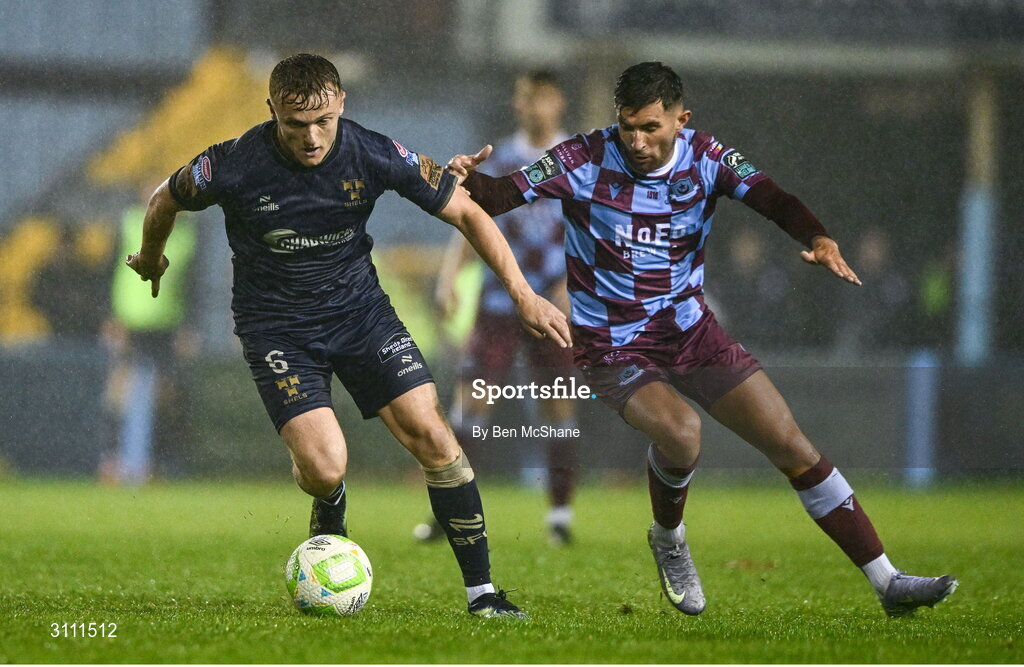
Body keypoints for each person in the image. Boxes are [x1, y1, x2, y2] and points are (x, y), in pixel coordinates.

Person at [445, 61, 957, 617]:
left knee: (791, 444)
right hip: (612, 345)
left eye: (651, 128)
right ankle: (669, 538)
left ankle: (888, 583)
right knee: (683, 435)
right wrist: (461, 176)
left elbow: (772, 197)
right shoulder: (584, 156)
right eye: (627, 127)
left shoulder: (708, 157)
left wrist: (818, 236)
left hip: (692, 333)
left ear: (681, 120)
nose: (637, 141)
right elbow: (497, 196)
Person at [125, 53, 571, 619]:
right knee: (326, 466)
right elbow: (164, 197)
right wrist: (151, 256)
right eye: (295, 124)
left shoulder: (373, 151)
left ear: (341, 106)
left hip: (361, 316)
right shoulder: (234, 162)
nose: (312, 138)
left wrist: (523, 292)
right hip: (277, 330)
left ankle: (483, 594)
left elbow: (469, 213)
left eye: (323, 122)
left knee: (434, 437)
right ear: (271, 113)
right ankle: (330, 501)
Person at [417, 70, 579, 546]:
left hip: (552, 303)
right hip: (496, 303)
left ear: (558, 102)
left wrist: (573, 284)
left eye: (542, 98)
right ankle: (450, 515)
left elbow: (594, 231)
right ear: (517, 103)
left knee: (559, 408)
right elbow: (470, 221)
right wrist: (449, 279)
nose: (533, 107)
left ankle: (560, 517)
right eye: (525, 98)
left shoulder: (575, 162)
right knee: (470, 409)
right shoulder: (502, 159)